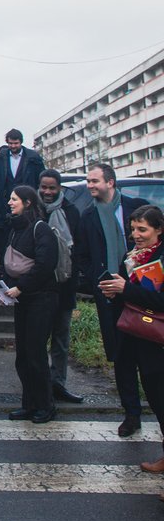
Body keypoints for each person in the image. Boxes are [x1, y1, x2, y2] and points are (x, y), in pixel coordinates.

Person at [99, 205, 164, 489]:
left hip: (156, 340)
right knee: (155, 400)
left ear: (159, 230)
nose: (135, 235)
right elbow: (130, 294)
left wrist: (126, 289)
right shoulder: (134, 256)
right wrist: (114, 291)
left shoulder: (161, 259)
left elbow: (159, 301)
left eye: (142, 230)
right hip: (134, 334)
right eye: (133, 229)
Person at [79, 163, 146, 436]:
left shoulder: (136, 207)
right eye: (88, 181)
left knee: (149, 356)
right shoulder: (88, 216)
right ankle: (132, 414)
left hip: (144, 293)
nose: (90, 185)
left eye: (94, 181)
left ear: (110, 182)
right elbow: (82, 254)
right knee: (122, 357)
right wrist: (99, 280)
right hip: (110, 295)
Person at [3, 186, 59, 424]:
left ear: (27, 203)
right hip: (23, 299)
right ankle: (29, 404)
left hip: (41, 298)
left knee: (36, 354)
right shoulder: (15, 229)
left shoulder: (40, 228)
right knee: (23, 355)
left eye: (14, 199)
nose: (9, 202)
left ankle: (45, 405)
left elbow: (45, 264)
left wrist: (21, 286)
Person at [38, 169, 83, 403]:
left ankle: (59, 384)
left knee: (61, 339)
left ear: (59, 188)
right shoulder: (32, 210)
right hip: (39, 288)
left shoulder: (71, 211)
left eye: (52, 188)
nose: (47, 192)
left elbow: (79, 248)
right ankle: (39, 385)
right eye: (43, 187)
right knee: (37, 340)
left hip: (64, 285)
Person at [0, 130, 46, 271]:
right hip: (4, 210)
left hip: (27, 210)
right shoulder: (0, 159)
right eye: (10, 143)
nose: (13, 146)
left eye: (16, 143)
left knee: (25, 244)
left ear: (21, 142)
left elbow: (41, 180)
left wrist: (34, 197)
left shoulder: (33, 158)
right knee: (4, 247)